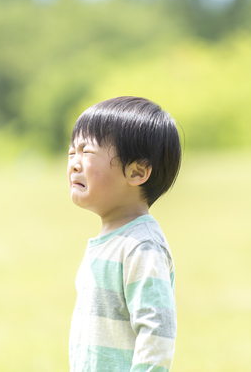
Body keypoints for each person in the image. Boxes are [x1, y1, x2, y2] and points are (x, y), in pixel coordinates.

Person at [67, 96, 182, 372]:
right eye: (72, 153)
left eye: (87, 152)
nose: (74, 163)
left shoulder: (141, 246)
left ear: (137, 171)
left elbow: (157, 329)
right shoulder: (111, 241)